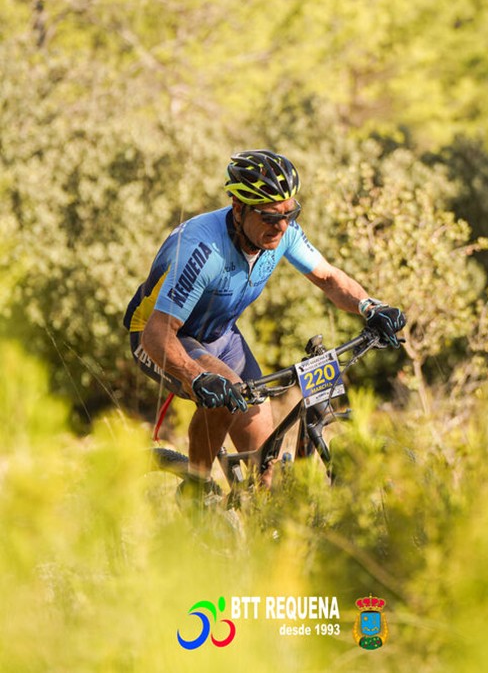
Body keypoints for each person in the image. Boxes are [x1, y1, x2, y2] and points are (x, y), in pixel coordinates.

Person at [124, 149, 405, 498]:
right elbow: (158, 333)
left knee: (265, 466)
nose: (282, 226)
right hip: (161, 335)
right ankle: (196, 496)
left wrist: (370, 307)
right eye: (271, 217)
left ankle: (262, 522)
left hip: (220, 335)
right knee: (224, 396)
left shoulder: (283, 233)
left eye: (290, 213)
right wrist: (196, 377)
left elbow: (329, 278)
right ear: (238, 208)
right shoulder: (202, 248)